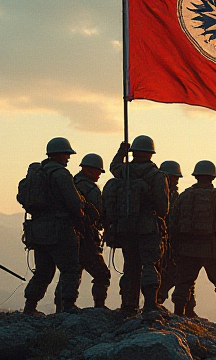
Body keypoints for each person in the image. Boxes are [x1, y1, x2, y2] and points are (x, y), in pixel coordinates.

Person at [169, 160, 216, 328]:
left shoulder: (184, 196)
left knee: (183, 282)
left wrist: (175, 247)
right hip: (212, 249)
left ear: (196, 176)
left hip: (187, 248)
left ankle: (178, 316)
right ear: (212, 177)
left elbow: (173, 224)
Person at [22, 137, 85, 315]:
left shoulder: (37, 174)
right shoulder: (60, 174)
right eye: (67, 154)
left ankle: (30, 306)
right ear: (59, 154)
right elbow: (74, 202)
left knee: (42, 271)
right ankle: (67, 305)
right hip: (60, 229)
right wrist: (81, 217)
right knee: (70, 268)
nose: (68, 157)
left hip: (38, 230)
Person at [109, 135, 169, 315]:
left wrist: (121, 151)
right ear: (151, 153)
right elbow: (163, 207)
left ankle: (128, 304)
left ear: (133, 152)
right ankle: (150, 304)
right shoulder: (157, 176)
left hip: (126, 226)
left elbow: (113, 167)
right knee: (149, 264)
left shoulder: (124, 171)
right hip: (147, 226)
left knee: (130, 265)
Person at [156, 160, 197, 315]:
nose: (176, 180)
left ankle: (189, 309)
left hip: (176, 242)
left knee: (185, 276)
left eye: (176, 178)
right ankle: (157, 302)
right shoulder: (160, 195)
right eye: (173, 177)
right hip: (163, 242)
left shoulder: (176, 197)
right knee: (167, 275)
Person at [71, 153, 111, 308]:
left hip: (69, 235)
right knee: (102, 274)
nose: (100, 174)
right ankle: (99, 306)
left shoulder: (71, 183)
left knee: (72, 271)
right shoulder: (91, 189)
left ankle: (65, 305)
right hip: (87, 237)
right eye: (99, 171)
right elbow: (98, 214)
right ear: (90, 170)